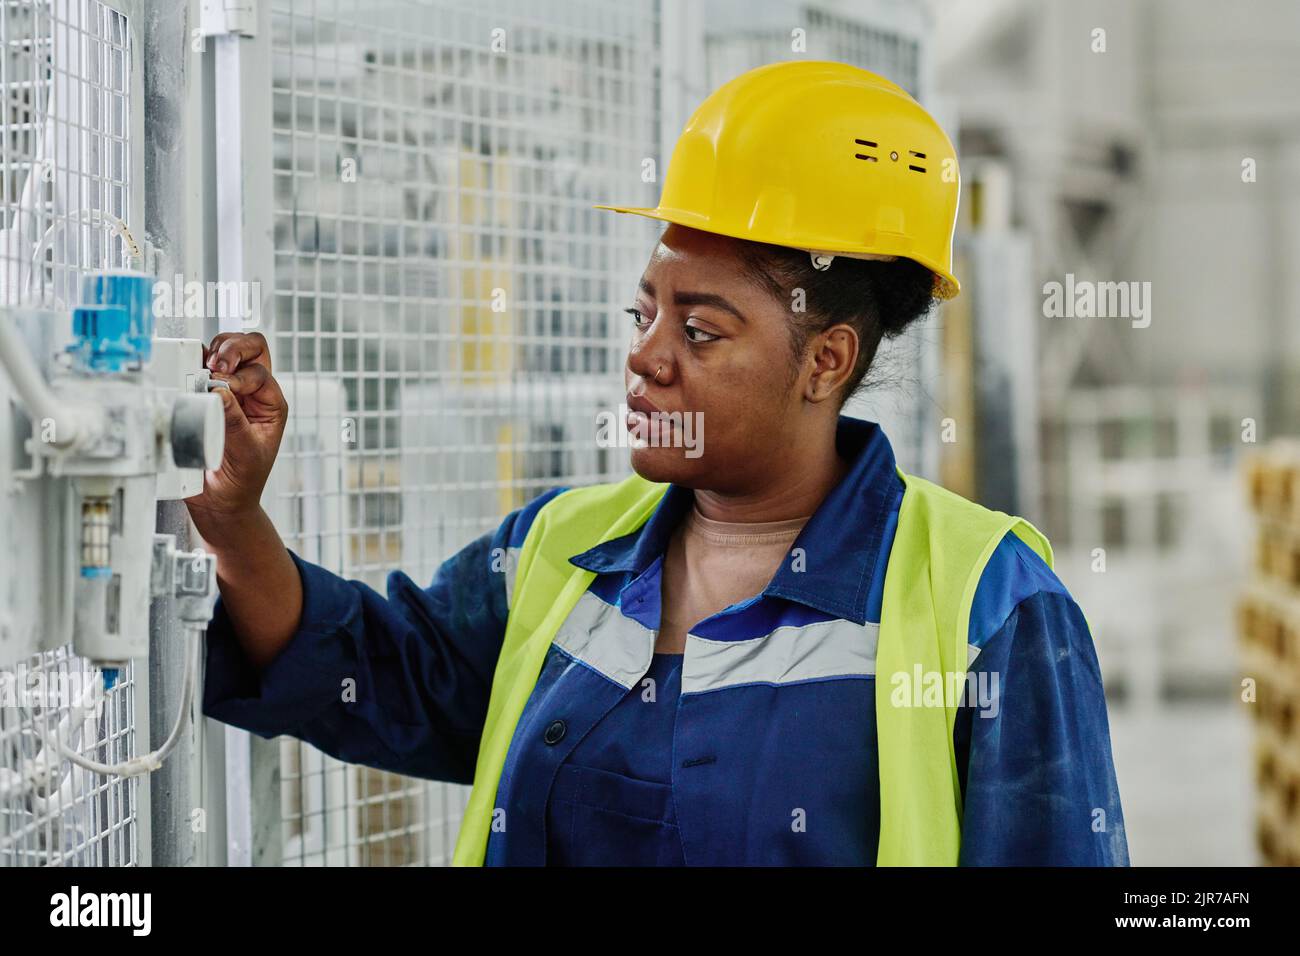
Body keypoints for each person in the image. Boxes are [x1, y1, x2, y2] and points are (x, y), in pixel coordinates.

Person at [190, 61, 1129, 866]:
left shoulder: (985, 602)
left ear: (825, 360)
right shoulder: (564, 551)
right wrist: (233, 514)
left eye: (701, 329)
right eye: (644, 313)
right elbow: (372, 671)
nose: (646, 355)